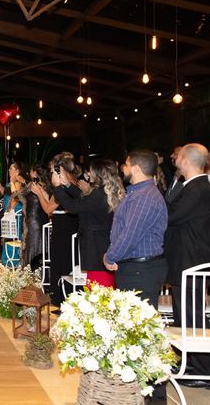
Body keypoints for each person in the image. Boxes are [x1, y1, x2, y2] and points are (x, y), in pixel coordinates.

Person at [164, 144, 210, 382]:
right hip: (186, 258)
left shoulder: (197, 188)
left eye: (179, 156)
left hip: (191, 259)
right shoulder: (192, 186)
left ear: (187, 160)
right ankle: (189, 362)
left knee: (192, 315)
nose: (176, 159)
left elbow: (172, 216)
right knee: (183, 314)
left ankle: (202, 369)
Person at [103, 149, 167, 309]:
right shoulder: (138, 193)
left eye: (126, 164)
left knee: (138, 327)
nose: (123, 168)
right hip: (136, 269)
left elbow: (130, 235)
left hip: (140, 271)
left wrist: (109, 257)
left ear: (136, 168)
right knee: (132, 325)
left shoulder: (144, 197)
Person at [53, 159, 125, 288]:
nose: (88, 174)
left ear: (98, 174)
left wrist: (58, 188)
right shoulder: (104, 191)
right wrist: (68, 186)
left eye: (90, 172)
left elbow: (73, 207)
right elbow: (84, 198)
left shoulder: (99, 194)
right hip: (103, 243)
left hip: (97, 248)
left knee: (98, 290)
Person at [37, 152, 79, 307]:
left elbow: (48, 209)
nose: (50, 173)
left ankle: (59, 300)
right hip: (69, 226)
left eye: (52, 170)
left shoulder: (63, 187)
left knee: (60, 262)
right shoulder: (74, 183)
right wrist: (42, 191)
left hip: (63, 227)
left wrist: (38, 193)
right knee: (68, 261)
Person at [19, 164, 50, 268]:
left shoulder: (35, 186)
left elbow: (19, 195)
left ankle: (32, 273)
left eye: (31, 171)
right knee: (40, 245)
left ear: (35, 173)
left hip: (33, 221)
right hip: (41, 220)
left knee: (32, 245)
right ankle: (40, 273)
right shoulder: (45, 185)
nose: (29, 173)